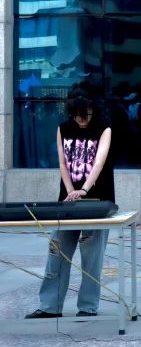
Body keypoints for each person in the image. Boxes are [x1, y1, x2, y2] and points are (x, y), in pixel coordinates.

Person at [26, 87, 114, 320]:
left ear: (92, 110)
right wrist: (70, 191)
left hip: (98, 200)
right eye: (77, 116)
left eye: (85, 115)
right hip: (68, 200)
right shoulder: (63, 128)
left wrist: (84, 189)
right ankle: (49, 306)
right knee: (57, 253)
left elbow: (99, 163)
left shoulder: (104, 128)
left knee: (92, 257)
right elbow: (63, 164)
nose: (81, 121)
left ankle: (88, 306)